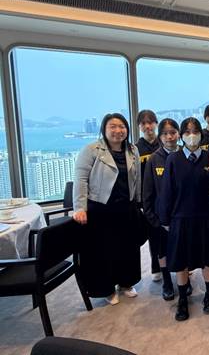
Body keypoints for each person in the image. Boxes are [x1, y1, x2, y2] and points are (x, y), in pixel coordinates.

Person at [73, 113, 141, 305]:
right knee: (103, 251)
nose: (118, 130)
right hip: (100, 209)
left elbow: (137, 178)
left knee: (127, 248)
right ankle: (106, 288)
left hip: (126, 207)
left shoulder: (132, 150)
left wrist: (138, 202)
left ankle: (126, 283)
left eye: (122, 126)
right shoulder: (91, 150)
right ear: (104, 129)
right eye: (113, 126)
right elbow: (80, 179)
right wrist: (80, 207)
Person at [159, 117, 209, 321]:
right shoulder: (173, 159)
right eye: (187, 132)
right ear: (181, 136)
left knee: (207, 259)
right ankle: (183, 301)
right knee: (181, 262)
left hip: (205, 217)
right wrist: (165, 219)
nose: (191, 135)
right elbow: (167, 191)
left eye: (195, 131)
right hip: (181, 218)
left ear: (201, 135)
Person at [143, 118, 188, 302]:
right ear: (160, 136)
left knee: (183, 249)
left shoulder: (185, 154)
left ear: (179, 134)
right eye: (165, 134)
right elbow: (147, 192)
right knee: (162, 251)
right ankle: (167, 282)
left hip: (183, 216)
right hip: (161, 217)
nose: (170, 137)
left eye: (173, 133)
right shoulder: (154, 159)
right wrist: (153, 218)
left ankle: (184, 281)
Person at [135, 109, 162, 282]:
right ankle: (156, 267)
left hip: (167, 195)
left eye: (150, 122)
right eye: (143, 123)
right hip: (149, 198)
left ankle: (181, 265)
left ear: (156, 124)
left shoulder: (164, 142)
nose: (147, 126)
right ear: (139, 126)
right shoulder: (136, 149)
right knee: (154, 233)